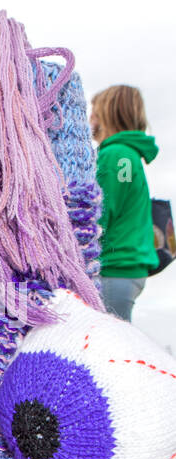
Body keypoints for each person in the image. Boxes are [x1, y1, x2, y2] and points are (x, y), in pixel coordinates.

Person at [91, 85, 159, 321]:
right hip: (127, 270)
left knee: (104, 348)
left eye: (94, 112)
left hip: (113, 267)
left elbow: (101, 211)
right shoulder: (127, 155)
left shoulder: (117, 155)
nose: (90, 119)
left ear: (108, 114)